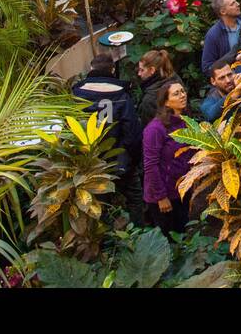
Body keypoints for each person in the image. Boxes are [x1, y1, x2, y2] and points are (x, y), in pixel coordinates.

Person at [73, 53, 143, 221]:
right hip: (120, 159)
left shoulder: (76, 95)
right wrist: (132, 158)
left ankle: (104, 239)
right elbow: (132, 132)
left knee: (98, 203)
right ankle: (139, 232)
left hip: (90, 161)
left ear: (91, 69)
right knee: (134, 197)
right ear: (112, 69)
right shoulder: (122, 96)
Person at [142, 81, 191, 234]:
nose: (182, 95)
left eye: (182, 91)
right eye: (176, 93)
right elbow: (151, 165)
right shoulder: (155, 129)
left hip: (182, 191)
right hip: (164, 197)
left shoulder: (185, 122)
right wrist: (161, 197)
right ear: (166, 102)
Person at [200, 0, 241, 75]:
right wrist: (234, 59)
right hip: (234, 76)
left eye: (236, 1)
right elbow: (207, 68)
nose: (238, 4)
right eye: (232, 4)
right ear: (223, 12)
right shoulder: (213, 35)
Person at [135, 48, 183, 126]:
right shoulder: (175, 79)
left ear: (152, 70)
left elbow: (148, 128)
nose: (139, 74)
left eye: (142, 70)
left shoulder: (149, 99)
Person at [200, 57, 236, 122]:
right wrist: (233, 96)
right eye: (222, 78)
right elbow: (211, 115)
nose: (228, 80)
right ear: (213, 81)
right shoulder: (208, 103)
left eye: (230, 75)